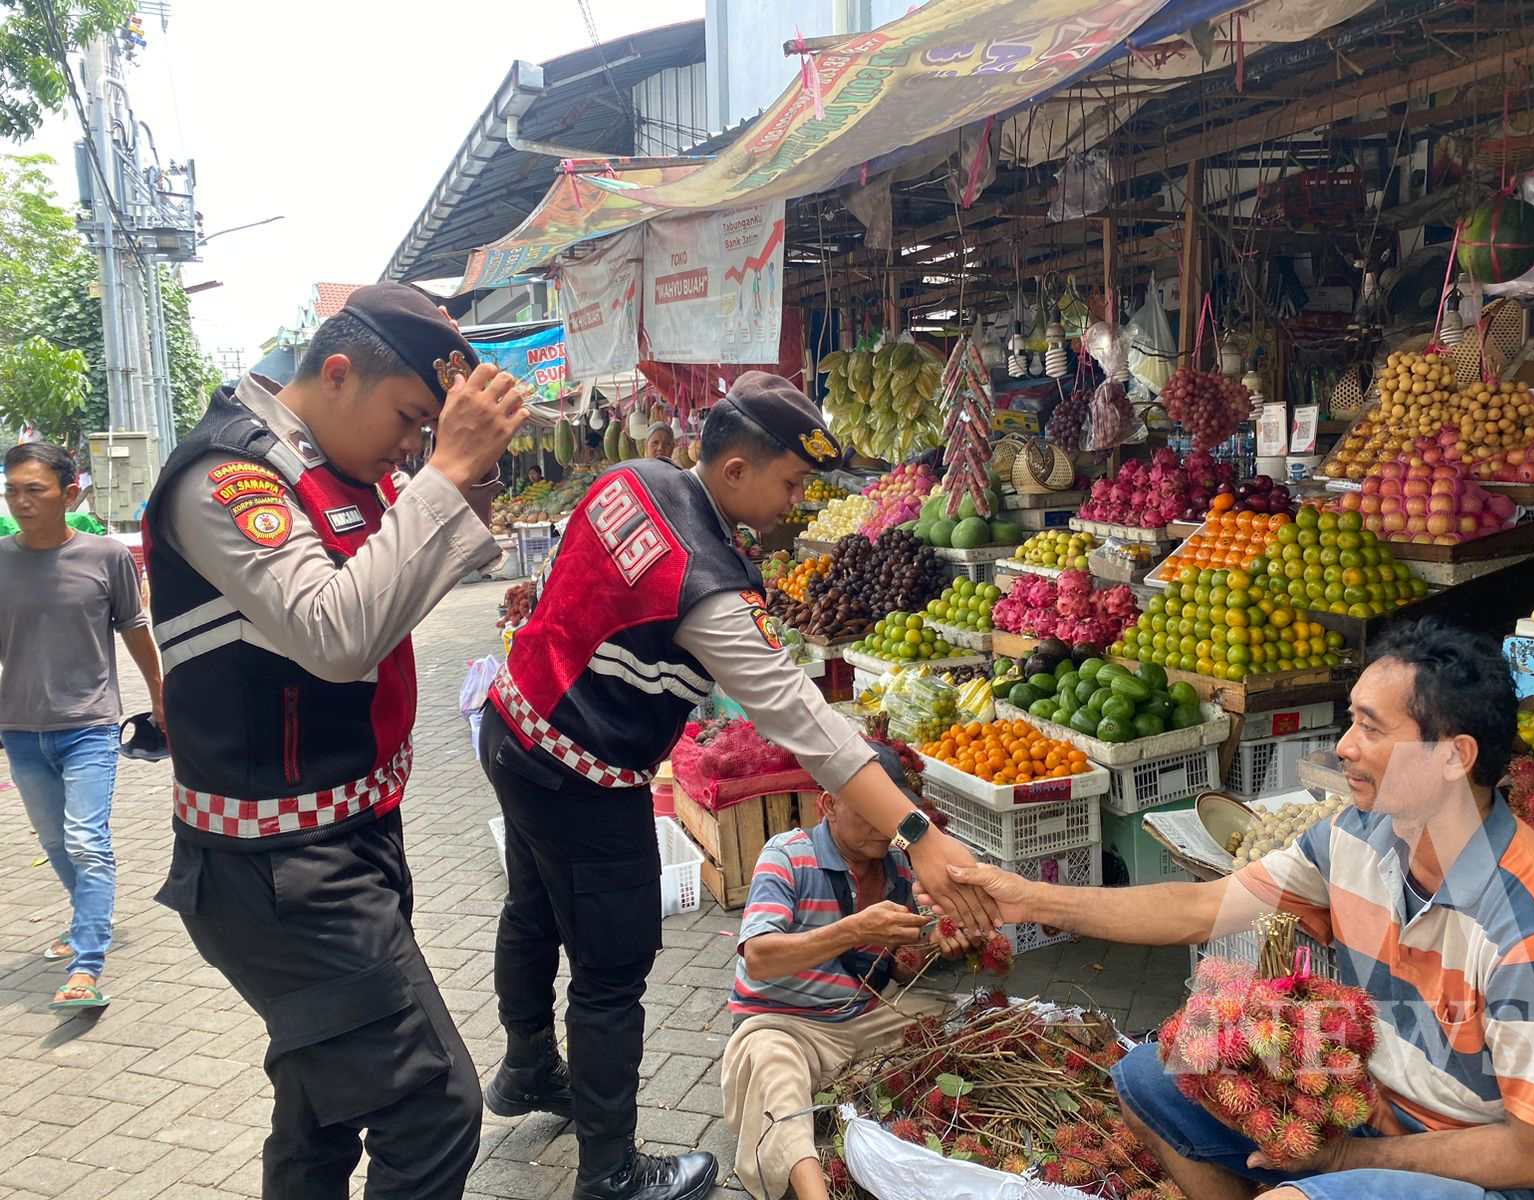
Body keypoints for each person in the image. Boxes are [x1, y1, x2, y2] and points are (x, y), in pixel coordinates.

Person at [479, 370, 997, 1200]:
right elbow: (804, 718)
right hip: (584, 773)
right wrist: (918, 833)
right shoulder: (707, 581)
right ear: (734, 472)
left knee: (534, 907)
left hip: (512, 727)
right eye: (791, 482)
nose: (796, 500)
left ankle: (527, 1066)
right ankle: (609, 1171)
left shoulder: (632, 480)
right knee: (613, 968)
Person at [942, 619, 1534, 1200]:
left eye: (1370, 727)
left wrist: (1347, 1159)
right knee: (1152, 1074)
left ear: (1454, 757)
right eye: (1351, 720)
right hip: (1383, 1110)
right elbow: (1199, 909)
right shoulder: (1356, 838)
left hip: (1506, 1176)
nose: (1342, 746)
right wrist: (1025, 898)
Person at [144, 283, 528, 1200]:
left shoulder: (336, 471)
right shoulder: (227, 476)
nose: (413, 445)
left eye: (427, 429)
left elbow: (391, 597)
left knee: (322, 1106)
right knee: (432, 1108)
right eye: (409, 418)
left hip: (343, 845)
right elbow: (336, 633)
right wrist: (441, 479)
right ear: (340, 372)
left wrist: (445, 486)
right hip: (279, 872)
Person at [720, 743, 972, 1200]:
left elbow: (892, 964)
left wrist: (937, 946)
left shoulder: (898, 866)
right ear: (828, 805)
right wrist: (852, 929)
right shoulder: (787, 855)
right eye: (867, 809)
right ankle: (813, 1190)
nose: (883, 824)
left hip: (862, 1016)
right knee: (773, 1065)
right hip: (783, 1022)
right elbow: (757, 956)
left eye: (889, 811)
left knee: (958, 1023)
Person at [0, 441, 163, 1011]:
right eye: (12, 489)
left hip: (89, 725)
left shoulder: (106, 557)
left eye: (34, 490)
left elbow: (135, 629)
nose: (21, 501)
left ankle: (85, 966)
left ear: (70, 493)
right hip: (18, 729)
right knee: (55, 842)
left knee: (85, 840)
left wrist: (162, 697)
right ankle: (88, 919)